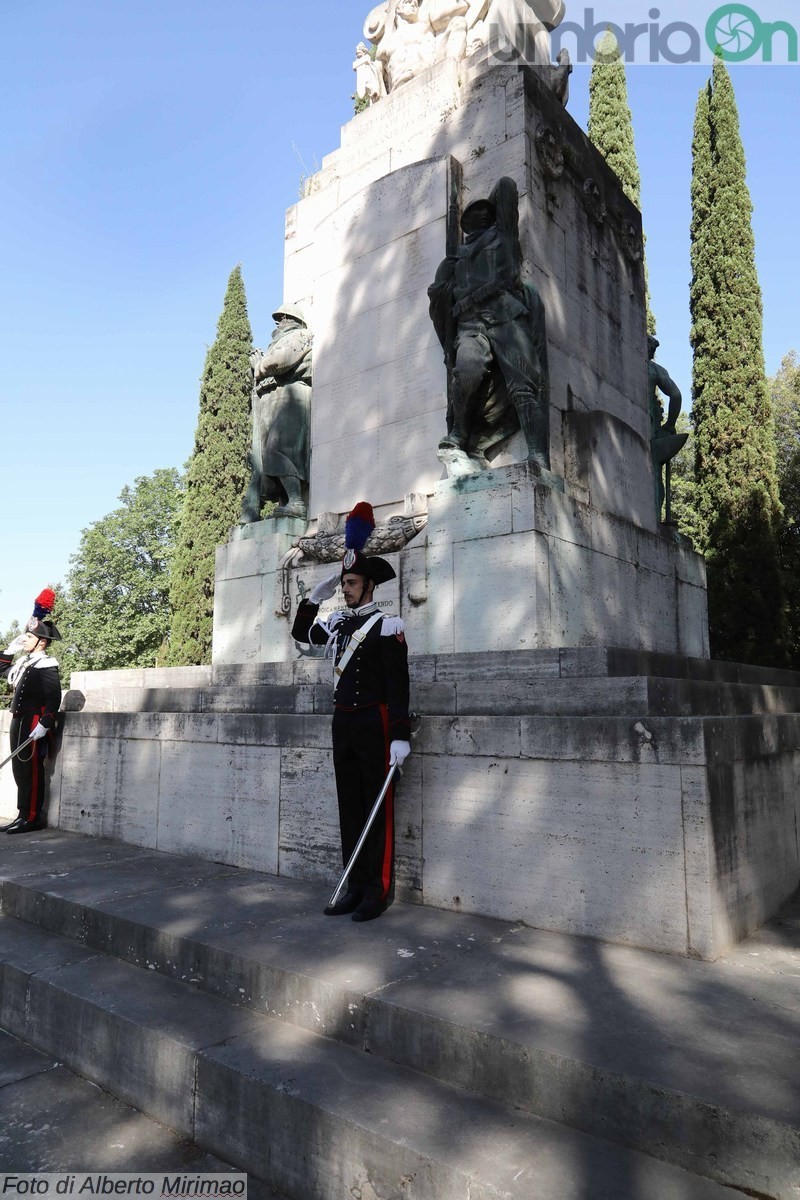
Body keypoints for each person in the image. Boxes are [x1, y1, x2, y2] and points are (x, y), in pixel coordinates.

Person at [291, 504, 411, 923]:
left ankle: (375, 892)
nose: (346, 589)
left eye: (351, 583)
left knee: (376, 810)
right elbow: (301, 635)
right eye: (343, 583)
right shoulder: (338, 621)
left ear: (370, 585)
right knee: (349, 806)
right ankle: (353, 885)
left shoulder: (387, 625)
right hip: (343, 721)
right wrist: (313, 599)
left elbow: (399, 684)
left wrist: (400, 734)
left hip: (375, 723)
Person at [428, 175, 551, 472]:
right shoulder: (454, 261)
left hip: (504, 313)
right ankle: (458, 432)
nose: (478, 213)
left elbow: (507, 185)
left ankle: (537, 454)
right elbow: (439, 304)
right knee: (466, 372)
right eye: (472, 213)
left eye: (485, 209)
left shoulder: (503, 235)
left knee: (523, 385)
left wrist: (486, 201)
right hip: (470, 323)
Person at [241, 304, 313, 523]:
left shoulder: (301, 335)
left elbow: (283, 361)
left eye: (284, 318)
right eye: (278, 319)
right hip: (273, 396)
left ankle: (296, 502)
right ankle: (286, 500)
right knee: (263, 457)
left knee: (277, 447)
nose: (279, 322)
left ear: (294, 320)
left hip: (291, 393)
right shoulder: (277, 342)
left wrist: (260, 364)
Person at [0, 594, 62, 835]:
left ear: (42, 643)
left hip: (34, 722)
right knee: (19, 770)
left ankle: (33, 817)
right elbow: (2, 668)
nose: (24, 640)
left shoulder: (46, 665)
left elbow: (53, 697)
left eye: (29, 637)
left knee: (32, 770)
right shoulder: (26, 663)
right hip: (19, 720)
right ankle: (22, 814)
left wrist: (45, 724)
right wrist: (9, 650)